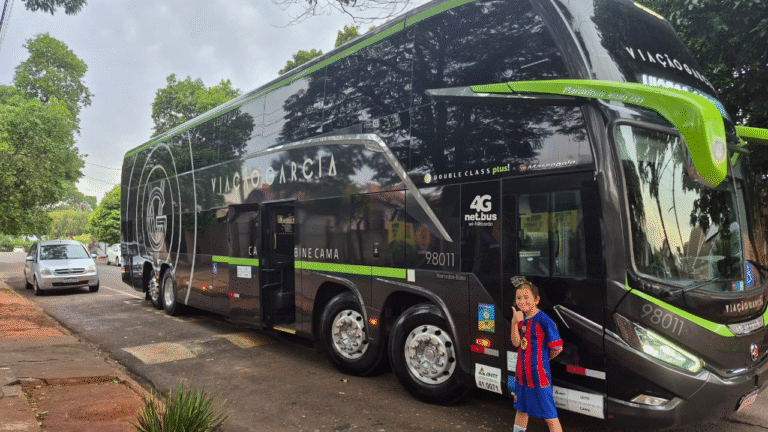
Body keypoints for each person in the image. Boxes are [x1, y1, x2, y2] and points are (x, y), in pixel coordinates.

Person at [510, 276, 563, 432]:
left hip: (539, 377)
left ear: (537, 299)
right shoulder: (520, 318)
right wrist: (514, 323)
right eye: (519, 298)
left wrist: (544, 361)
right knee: (521, 410)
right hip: (521, 376)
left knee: (550, 415)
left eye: (526, 297)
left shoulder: (545, 321)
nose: (522, 301)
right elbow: (516, 343)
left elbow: (557, 348)